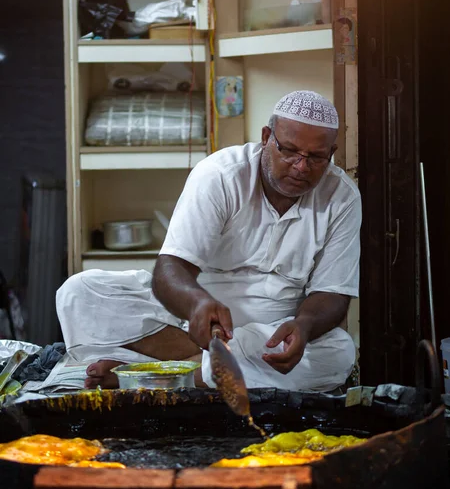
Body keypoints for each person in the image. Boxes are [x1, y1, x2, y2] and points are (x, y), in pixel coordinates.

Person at [56, 90, 361, 393]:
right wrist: (196, 304)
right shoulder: (221, 174)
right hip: (198, 321)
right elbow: (170, 269)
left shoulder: (342, 196)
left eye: (316, 157)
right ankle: (212, 370)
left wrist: (305, 326)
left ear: (331, 153)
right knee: (79, 293)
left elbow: (332, 293)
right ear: (267, 137)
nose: (301, 166)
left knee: (339, 354)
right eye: (289, 151)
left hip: (276, 328)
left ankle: (173, 373)